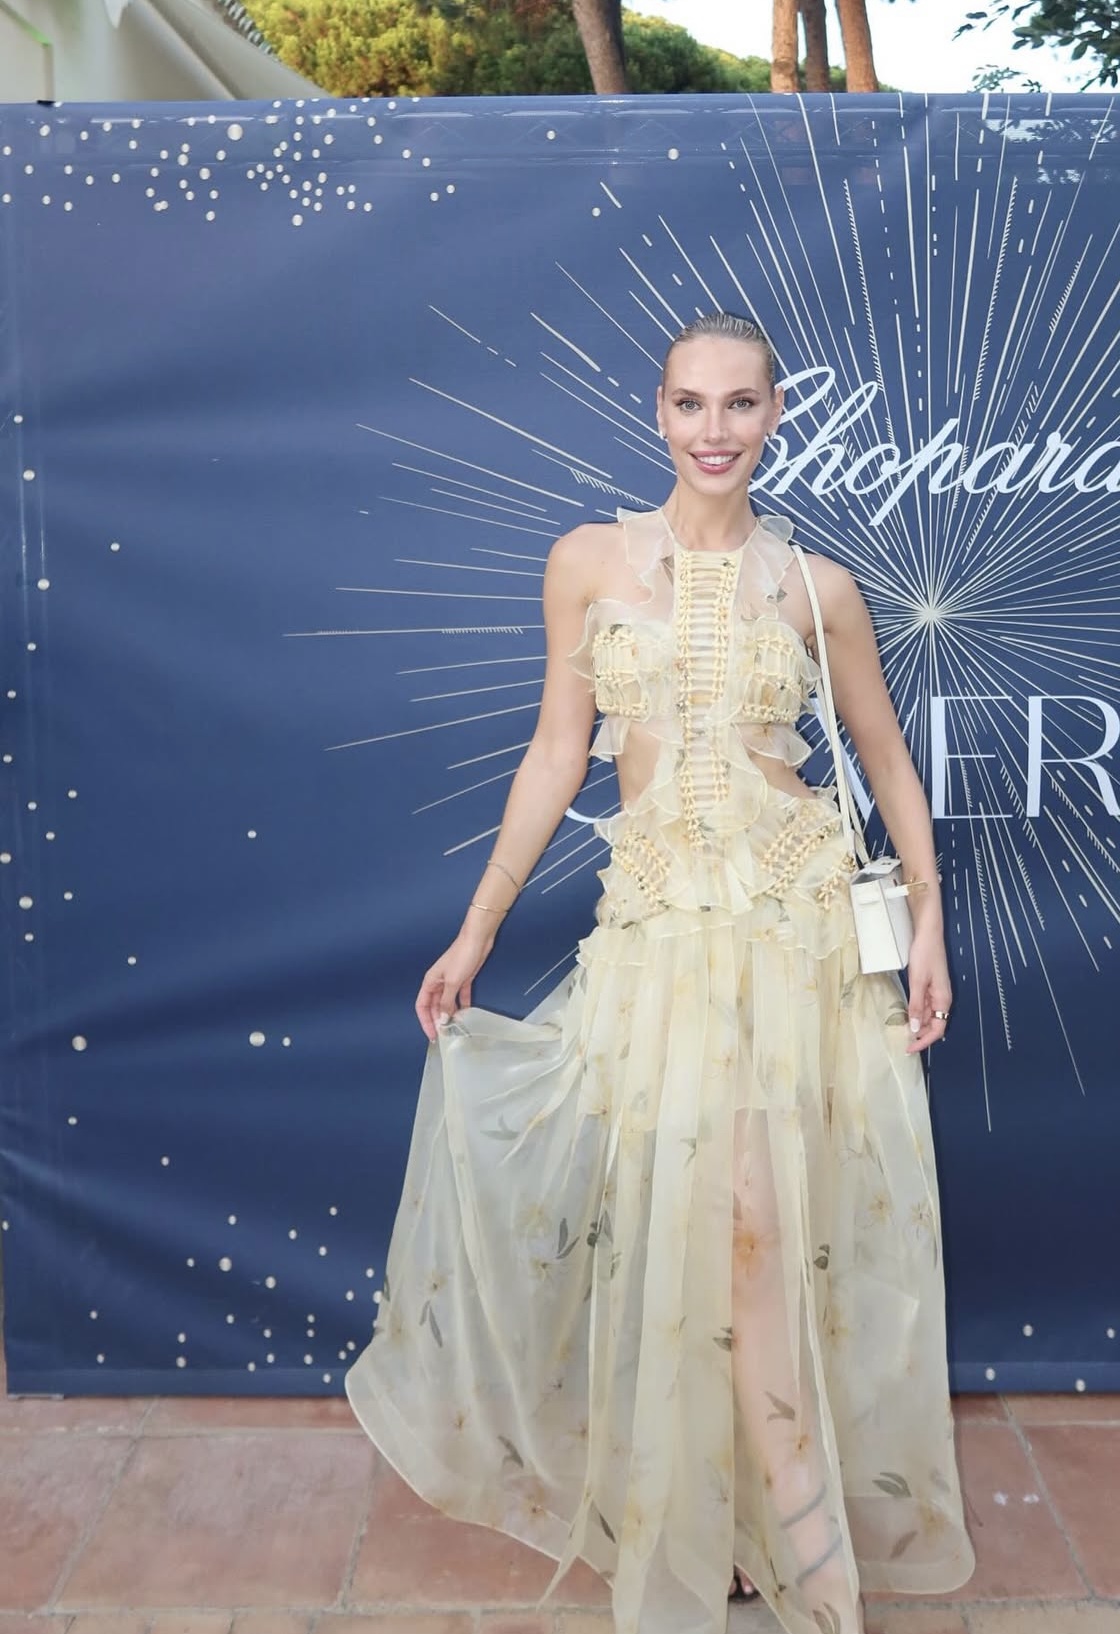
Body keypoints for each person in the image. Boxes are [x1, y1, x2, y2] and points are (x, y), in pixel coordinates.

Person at [345, 311, 976, 1634]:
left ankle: (817, 1564)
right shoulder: (586, 562)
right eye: (692, 403)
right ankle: (718, 1522)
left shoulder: (817, 589)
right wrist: (477, 928)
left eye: (740, 404)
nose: (714, 429)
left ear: (777, 413)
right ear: (659, 411)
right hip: (654, 944)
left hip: (789, 941)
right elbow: (553, 751)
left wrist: (925, 922)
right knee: (682, 1240)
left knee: (753, 1239)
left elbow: (887, 759)